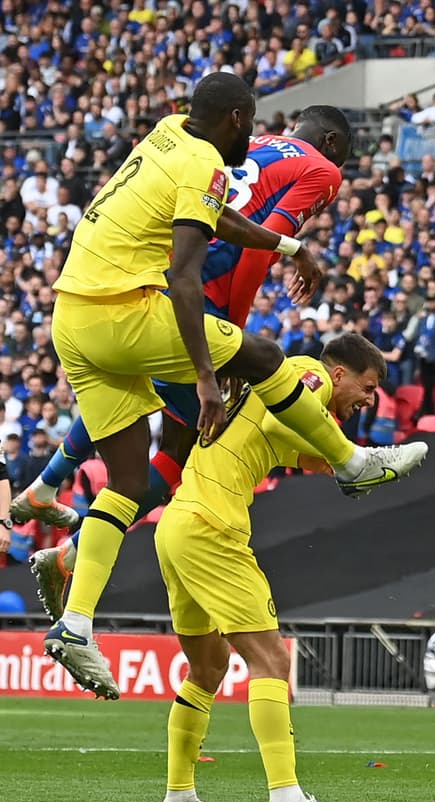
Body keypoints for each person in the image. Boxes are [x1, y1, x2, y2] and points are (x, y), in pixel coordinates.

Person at [42, 76, 429, 699]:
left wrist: (291, 245)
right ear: (236, 119)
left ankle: (76, 622)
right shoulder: (305, 167)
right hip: (130, 308)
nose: (251, 139)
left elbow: (211, 216)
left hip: (72, 314)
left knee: (130, 483)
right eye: (247, 126)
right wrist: (213, 365)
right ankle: (353, 461)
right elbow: (188, 272)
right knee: (267, 358)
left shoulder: (169, 134)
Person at [24, 104, 359, 600]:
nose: (340, 175)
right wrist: (234, 339)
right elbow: (258, 248)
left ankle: (49, 492)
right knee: (190, 444)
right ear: (332, 143)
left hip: (145, 281)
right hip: (193, 300)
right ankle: (69, 558)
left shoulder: (256, 143)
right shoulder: (322, 170)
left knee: (133, 394)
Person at [155, 334, 403, 802]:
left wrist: (367, 462)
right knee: (271, 658)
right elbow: (280, 415)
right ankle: (287, 800)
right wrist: (357, 458)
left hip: (178, 524)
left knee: (207, 669)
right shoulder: (304, 376)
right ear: (338, 375)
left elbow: (302, 452)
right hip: (213, 525)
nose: (369, 399)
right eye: (367, 386)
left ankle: (179, 797)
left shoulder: (287, 396)